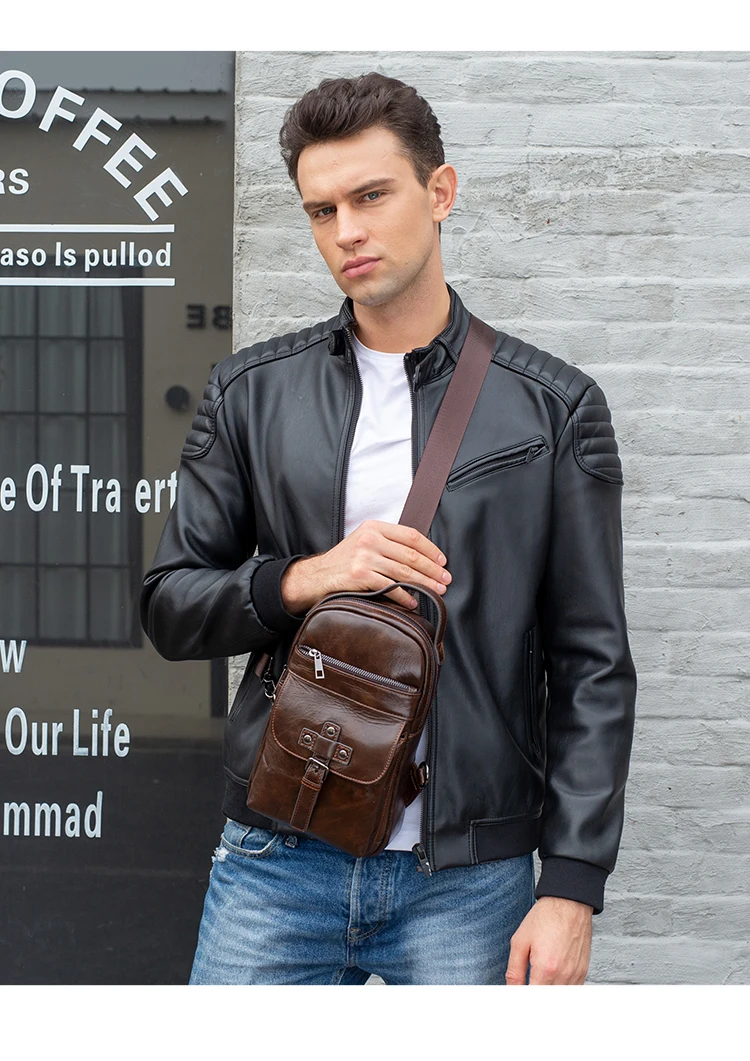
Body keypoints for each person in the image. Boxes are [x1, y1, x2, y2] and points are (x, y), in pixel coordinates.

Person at [140, 72, 636, 986]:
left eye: (371, 196)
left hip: (468, 877)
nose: (347, 232)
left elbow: (592, 662)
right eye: (321, 210)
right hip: (275, 859)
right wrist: (309, 575)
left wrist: (572, 885)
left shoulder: (554, 408)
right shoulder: (250, 392)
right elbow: (170, 605)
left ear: (440, 191)